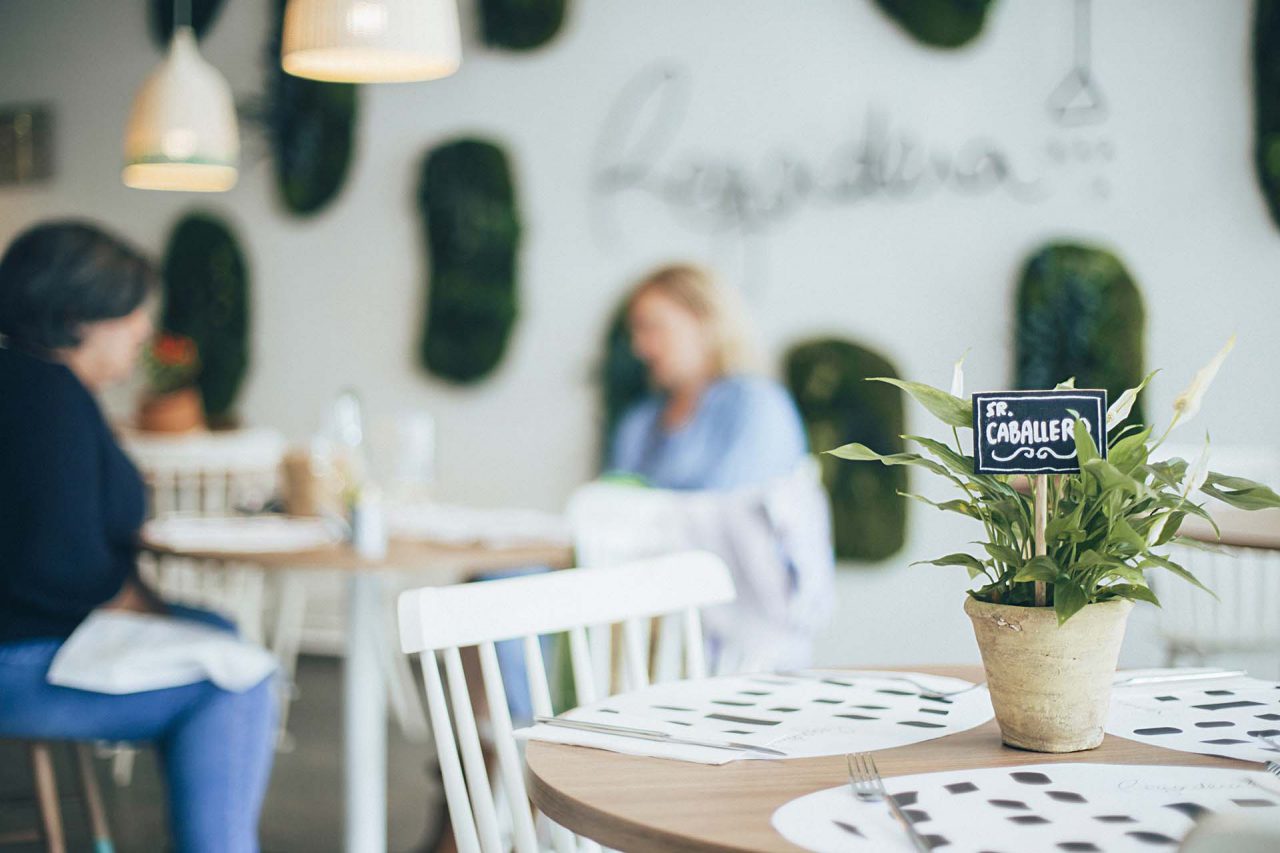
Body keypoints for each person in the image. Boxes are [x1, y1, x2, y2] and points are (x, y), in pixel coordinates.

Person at [0, 221, 275, 853]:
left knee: (219, 634)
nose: (145, 331)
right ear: (76, 315)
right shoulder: (50, 397)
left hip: (24, 636)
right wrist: (133, 598)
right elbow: (59, 568)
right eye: (130, 314)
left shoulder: (29, 384)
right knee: (238, 682)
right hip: (19, 657)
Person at [603, 263, 835, 671]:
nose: (640, 347)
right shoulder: (638, 423)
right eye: (635, 332)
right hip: (651, 640)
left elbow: (725, 525)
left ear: (707, 321)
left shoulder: (757, 406)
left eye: (652, 327)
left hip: (742, 648)